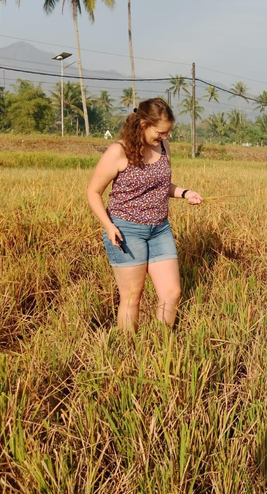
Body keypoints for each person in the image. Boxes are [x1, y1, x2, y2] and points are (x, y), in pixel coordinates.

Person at [87, 98, 203, 331]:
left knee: (172, 292)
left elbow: (162, 186)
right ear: (142, 124)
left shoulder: (162, 147)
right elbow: (93, 192)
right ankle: (129, 352)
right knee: (132, 297)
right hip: (126, 230)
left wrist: (185, 193)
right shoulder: (118, 152)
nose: (165, 137)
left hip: (160, 229)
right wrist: (109, 226)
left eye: (167, 133)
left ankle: (160, 346)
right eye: (160, 132)